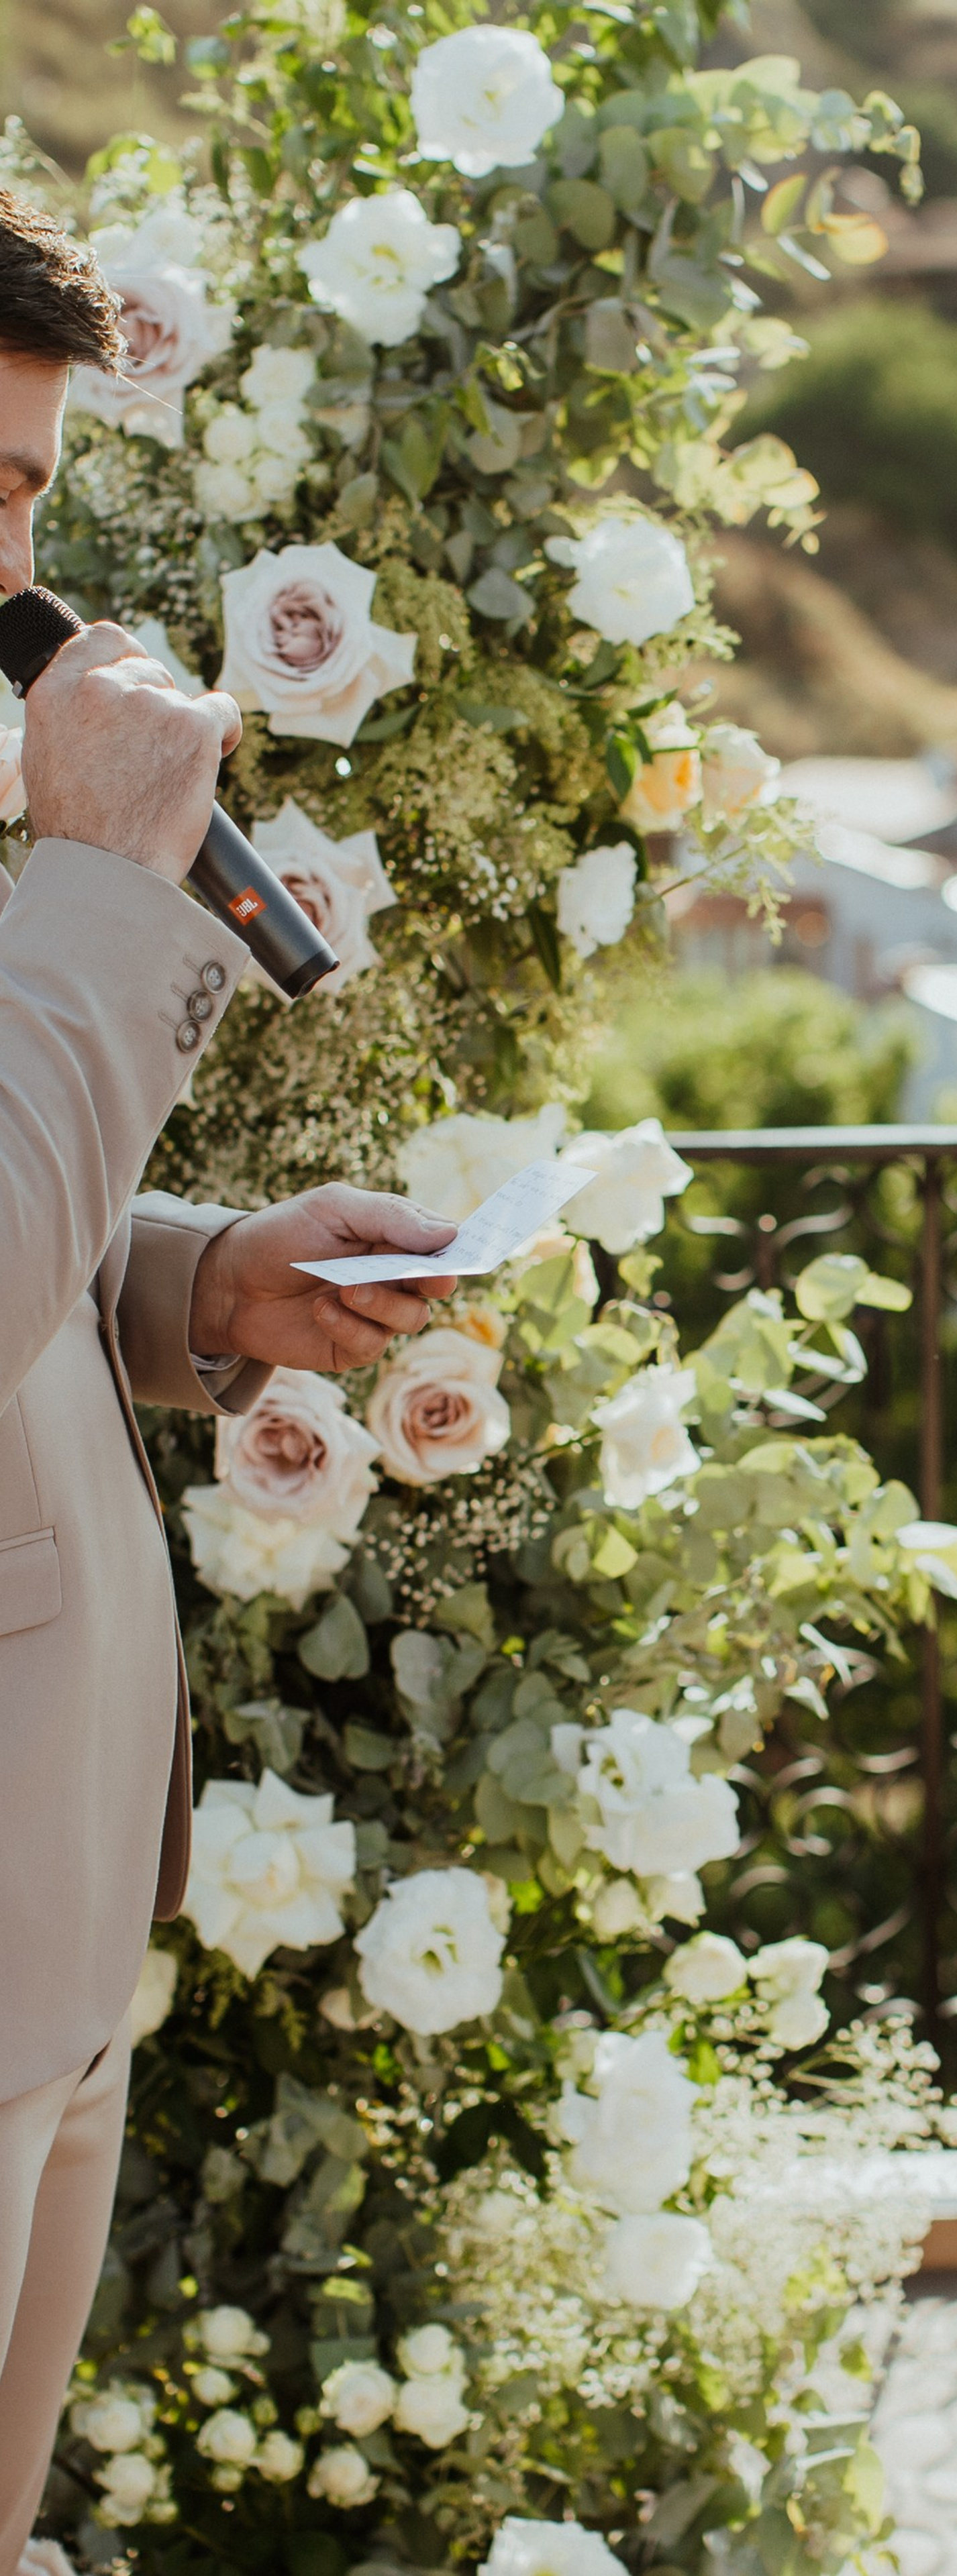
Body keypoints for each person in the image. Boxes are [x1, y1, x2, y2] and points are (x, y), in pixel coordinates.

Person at [0, 193, 458, 2557]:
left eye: (30, 501)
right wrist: (99, 882)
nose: (17, 578)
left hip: (51, 1913)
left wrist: (195, 1282)